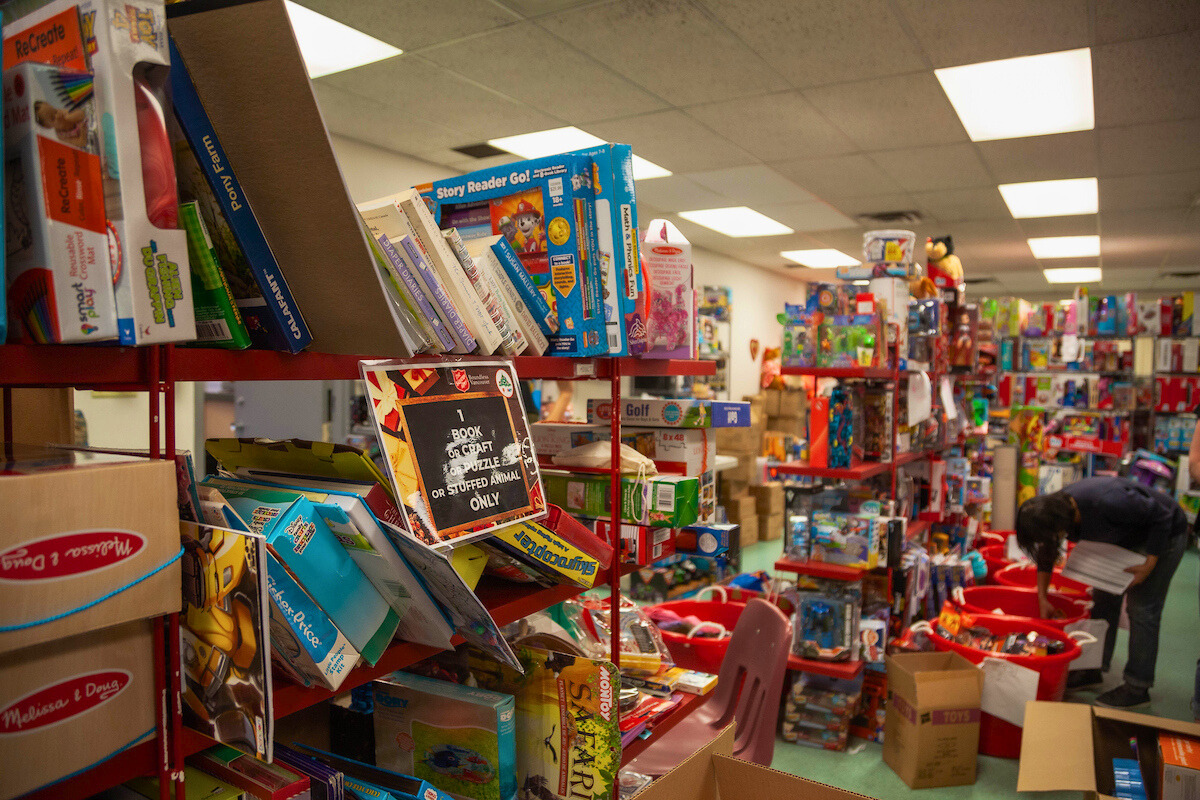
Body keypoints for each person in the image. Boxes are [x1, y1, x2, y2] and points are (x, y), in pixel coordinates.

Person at [1016, 475, 1189, 708]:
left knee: (1142, 609)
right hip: (1127, 536)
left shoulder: (1107, 501)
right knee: (1103, 600)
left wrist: (1149, 565)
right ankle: (1093, 669)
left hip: (1165, 535)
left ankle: (1137, 688)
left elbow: (1163, 516)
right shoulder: (1054, 512)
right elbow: (1047, 553)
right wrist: (1042, 598)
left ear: (1059, 524)